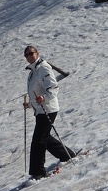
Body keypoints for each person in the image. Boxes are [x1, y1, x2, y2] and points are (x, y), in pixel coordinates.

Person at [22, 45, 76, 179]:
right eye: (26, 55)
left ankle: (38, 171)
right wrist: (29, 104)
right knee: (45, 138)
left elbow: (53, 87)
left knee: (38, 140)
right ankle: (67, 154)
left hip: (48, 108)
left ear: (37, 53)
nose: (29, 56)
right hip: (40, 110)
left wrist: (44, 98)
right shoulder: (32, 72)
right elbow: (36, 93)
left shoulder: (43, 68)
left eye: (31, 53)